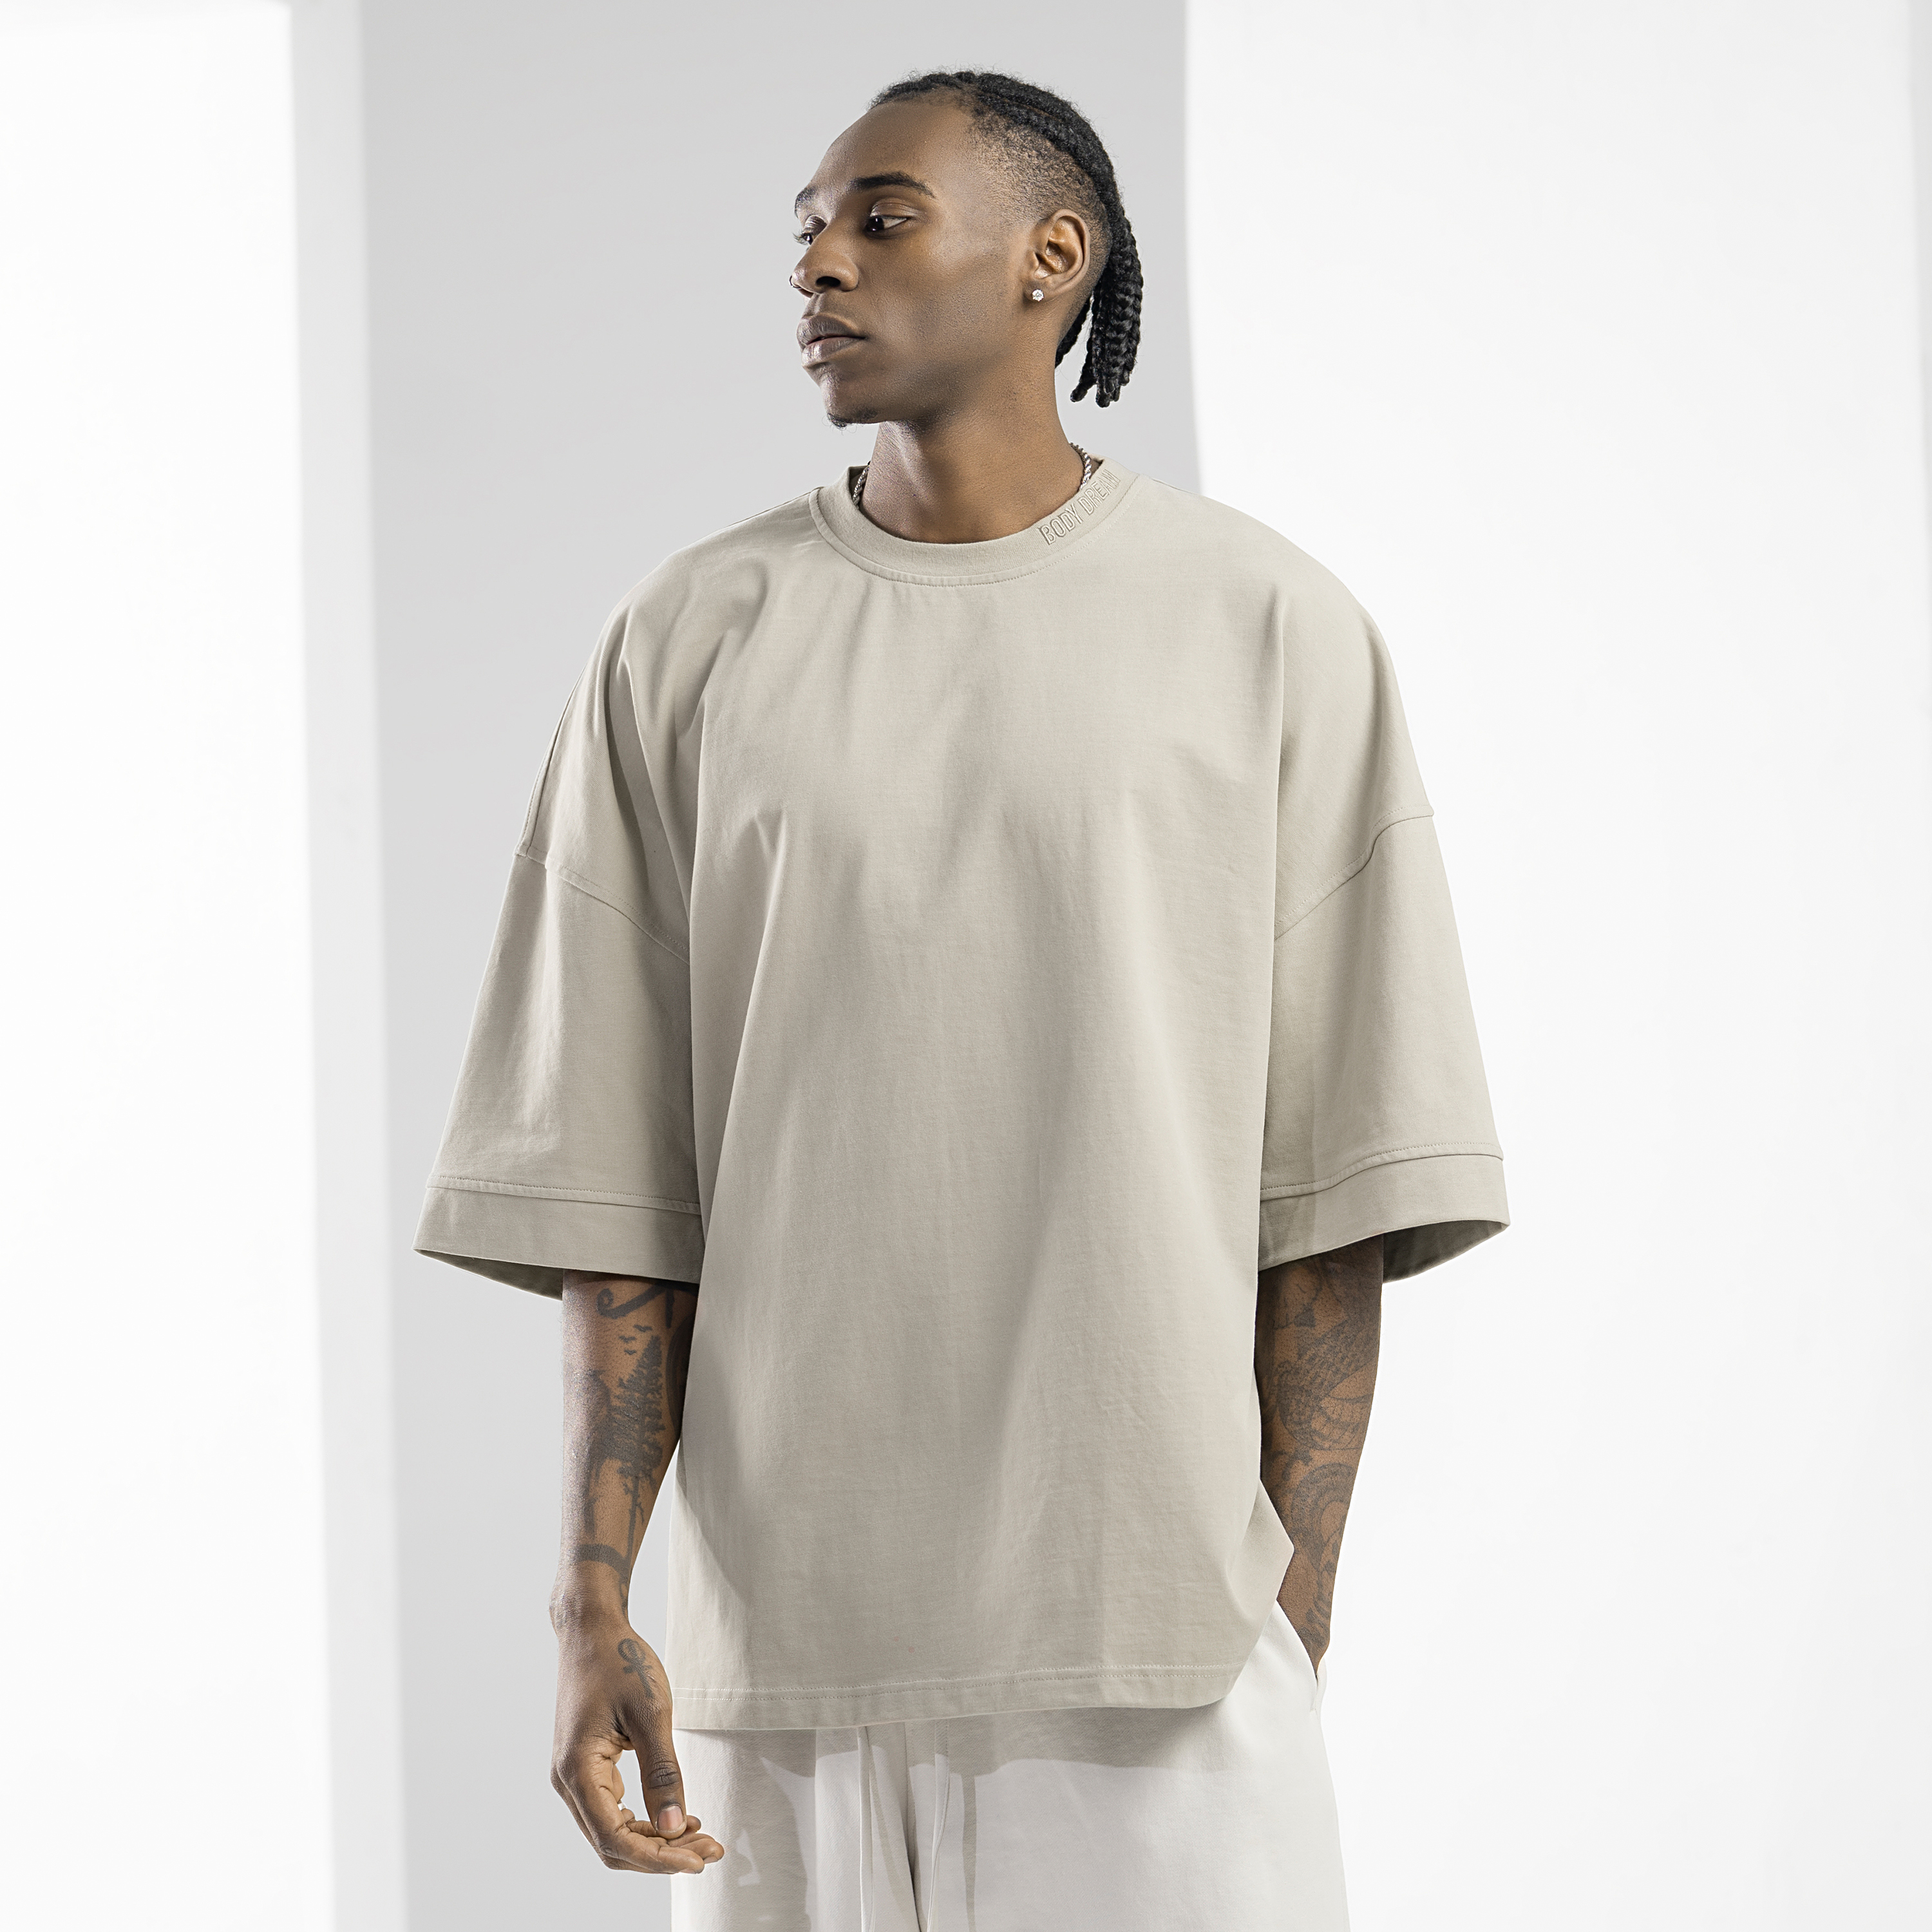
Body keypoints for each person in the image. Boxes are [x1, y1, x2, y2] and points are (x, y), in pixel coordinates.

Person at [415, 69, 1506, 1929]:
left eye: (883, 218)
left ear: (1050, 260)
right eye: (806, 233)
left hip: (1158, 1661)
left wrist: (1283, 1612)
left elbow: (1338, 1175)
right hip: (781, 1670)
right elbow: (616, 1186)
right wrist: (593, 1604)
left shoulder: (1265, 627)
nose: (819, 266)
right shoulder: (687, 639)